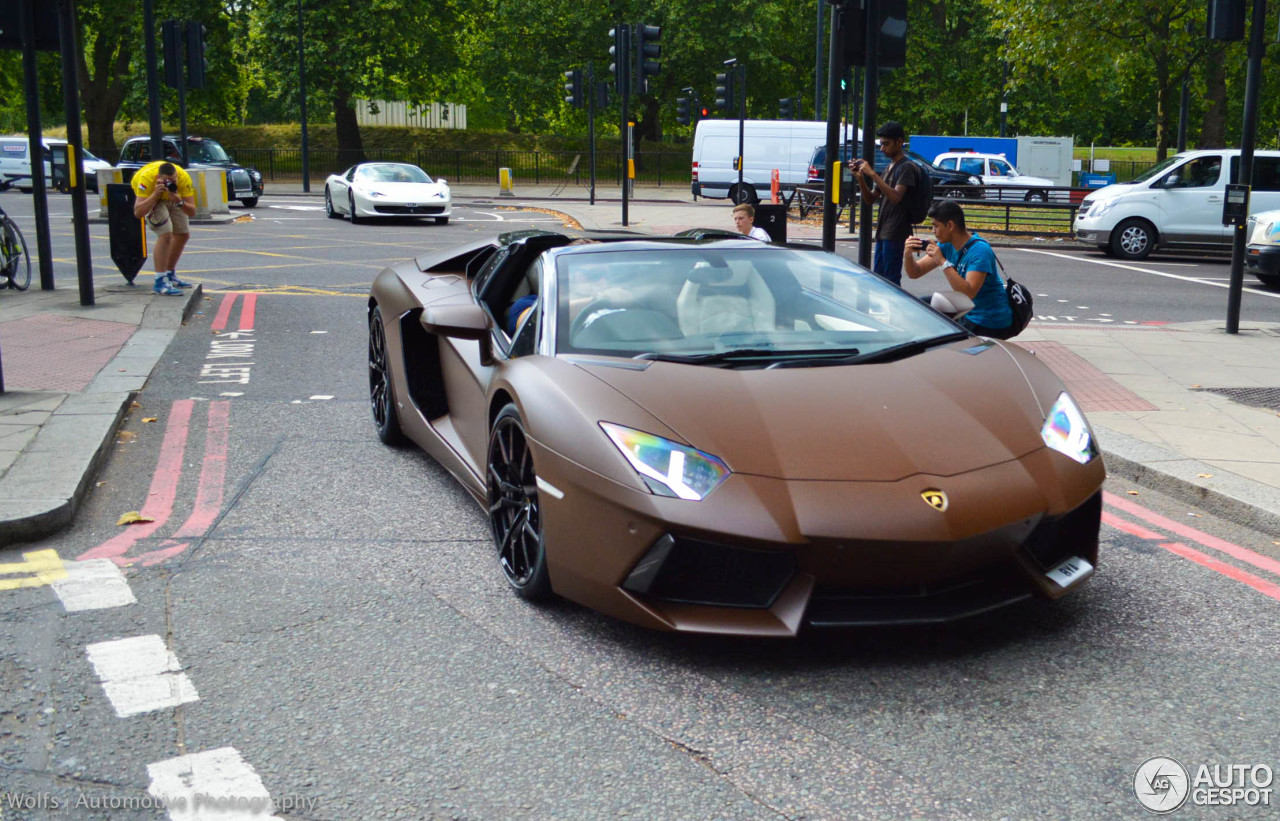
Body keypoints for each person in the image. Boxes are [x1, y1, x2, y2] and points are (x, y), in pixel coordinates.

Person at [904, 200, 1014, 338]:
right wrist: (907, 255)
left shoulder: (980, 251)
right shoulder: (947, 245)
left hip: (989, 319)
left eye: (935, 226)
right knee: (920, 306)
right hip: (967, 308)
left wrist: (942, 262)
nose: (933, 231)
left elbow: (968, 293)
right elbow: (915, 273)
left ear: (950, 225)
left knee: (947, 343)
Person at [848, 121, 920, 286]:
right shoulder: (889, 168)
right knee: (880, 281)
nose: (882, 149)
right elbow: (871, 199)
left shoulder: (906, 167)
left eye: (886, 144)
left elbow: (896, 197)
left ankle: (894, 312)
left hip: (896, 231)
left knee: (891, 281)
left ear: (899, 142)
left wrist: (872, 174)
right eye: (881, 144)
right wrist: (860, 179)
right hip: (883, 231)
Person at [132, 161, 196, 295]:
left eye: (173, 181)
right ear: (158, 179)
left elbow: (192, 212)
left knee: (183, 234)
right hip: (152, 196)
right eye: (166, 181)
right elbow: (138, 213)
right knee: (165, 234)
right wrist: (155, 194)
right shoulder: (147, 178)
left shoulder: (183, 178)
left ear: (177, 176)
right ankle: (160, 281)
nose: (170, 184)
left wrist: (179, 201)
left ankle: (170, 274)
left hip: (175, 199)